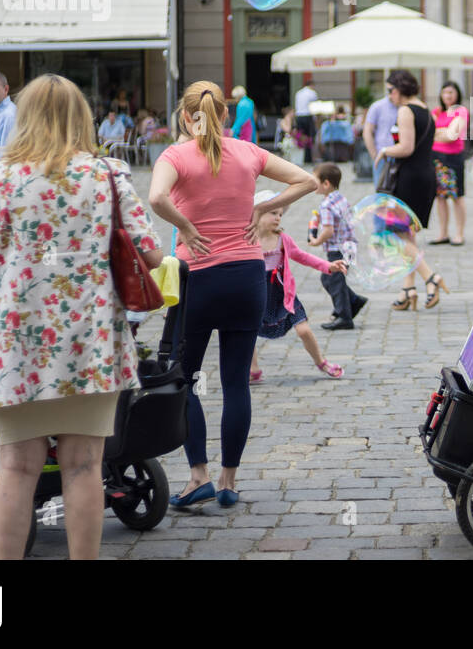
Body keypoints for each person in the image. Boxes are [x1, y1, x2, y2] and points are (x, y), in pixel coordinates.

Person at [0, 74, 163, 560]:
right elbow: (149, 254)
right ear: (80, 116)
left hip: (14, 347)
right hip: (90, 346)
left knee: (17, 470)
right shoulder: (106, 175)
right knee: (84, 467)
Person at [149, 81, 316, 509]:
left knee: (183, 379)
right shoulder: (248, 152)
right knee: (236, 382)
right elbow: (308, 180)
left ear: (186, 117)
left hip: (199, 279)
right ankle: (228, 481)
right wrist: (261, 208)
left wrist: (185, 227)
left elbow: (155, 198)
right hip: (246, 276)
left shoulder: (176, 155)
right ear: (225, 115)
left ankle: (198, 476)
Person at [250, 190, 344, 380]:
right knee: (247, 332)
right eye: (272, 213)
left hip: (282, 293)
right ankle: (253, 370)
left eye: (280, 214)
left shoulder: (282, 239)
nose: (277, 218)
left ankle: (321, 363)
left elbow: (303, 256)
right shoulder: (247, 240)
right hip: (256, 293)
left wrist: (328, 266)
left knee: (304, 329)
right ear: (256, 214)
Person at [374, 70, 449, 311]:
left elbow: (405, 148)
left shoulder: (406, 110)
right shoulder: (425, 109)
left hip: (408, 178)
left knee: (395, 235)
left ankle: (431, 277)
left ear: (400, 89)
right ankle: (408, 290)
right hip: (424, 176)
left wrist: (385, 150)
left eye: (390, 90)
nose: (389, 96)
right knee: (407, 235)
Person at [309, 162, 367, 330]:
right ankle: (354, 301)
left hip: (337, 249)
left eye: (315, 181)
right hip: (349, 246)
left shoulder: (326, 205)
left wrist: (316, 241)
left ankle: (344, 317)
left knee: (334, 280)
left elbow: (328, 231)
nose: (312, 184)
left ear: (326, 183)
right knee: (329, 278)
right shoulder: (340, 197)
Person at [431, 81, 469, 246]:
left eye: (451, 92)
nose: (448, 95)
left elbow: (452, 136)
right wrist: (442, 132)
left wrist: (439, 133)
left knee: (457, 196)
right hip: (436, 157)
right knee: (440, 197)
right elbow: (428, 132)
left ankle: (459, 234)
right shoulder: (437, 112)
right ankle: (443, 233)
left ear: (457, 94)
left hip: (454, 158)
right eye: (445, 92)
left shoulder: (461, 111)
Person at [364, 80, 398, 182]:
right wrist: (374, 154)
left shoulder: (405, 106)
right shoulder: (377, 106)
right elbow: (367, 131)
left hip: (401, 155)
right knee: (382, 192)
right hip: (383, 156)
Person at [295, 80, 319, 163]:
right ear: (311, 85)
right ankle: (308, 158)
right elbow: (314, 106)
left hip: (299, 116)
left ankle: (300, 156)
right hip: (307, 116)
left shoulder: (298, 93)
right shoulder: (312, 93)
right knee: (309, 137)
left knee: (301, 136)